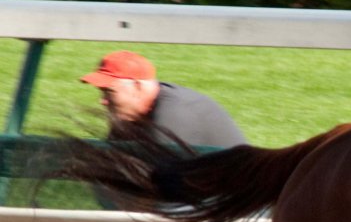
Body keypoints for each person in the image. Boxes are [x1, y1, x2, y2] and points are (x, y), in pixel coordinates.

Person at [80, 50, 247, 150]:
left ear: (138, 87)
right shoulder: (133, 112)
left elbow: (160, 179)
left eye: (109, 92)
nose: (103, 101)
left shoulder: (174, 114)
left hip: (239, 201)